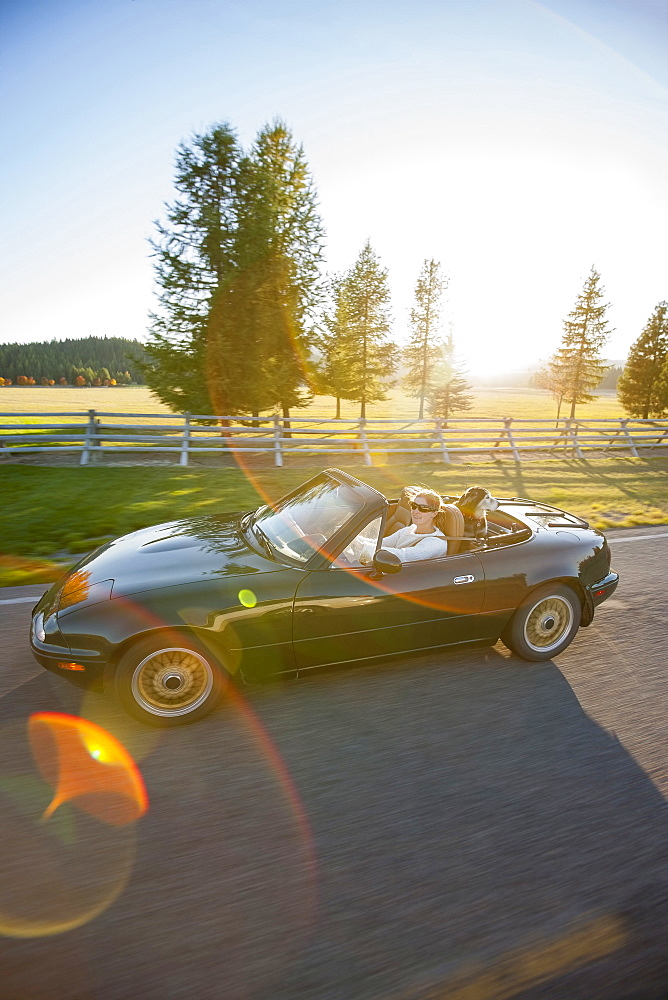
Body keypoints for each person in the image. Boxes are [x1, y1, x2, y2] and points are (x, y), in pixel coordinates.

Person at [356, 487, 449, 564]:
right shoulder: (409, 530)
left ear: (434, 513)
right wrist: (354, 540)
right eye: (414, 506)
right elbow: (381, 543)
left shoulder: (436, 543)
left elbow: (402, 555)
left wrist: (362, 546)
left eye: (423, 508)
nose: (416, 511)